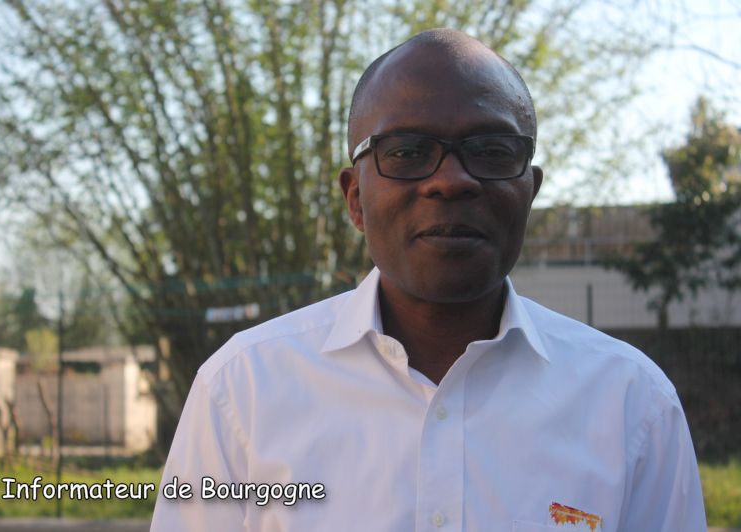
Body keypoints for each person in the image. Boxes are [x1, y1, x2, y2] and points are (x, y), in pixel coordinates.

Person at [151, 29, 706, 531]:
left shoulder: (632, 405)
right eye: (408, 152)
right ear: (355, 198)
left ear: (530, 192)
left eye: (492, 151)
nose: (452, 181)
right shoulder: (242, 391)